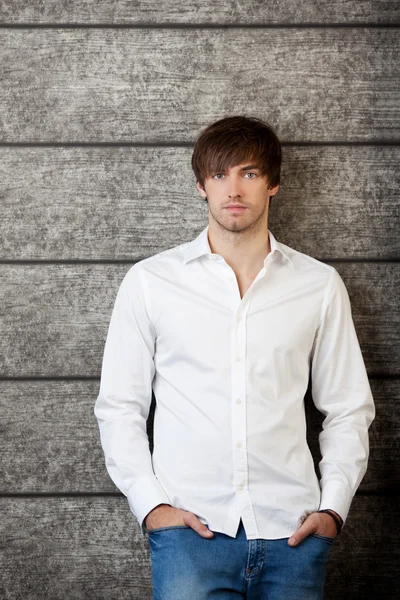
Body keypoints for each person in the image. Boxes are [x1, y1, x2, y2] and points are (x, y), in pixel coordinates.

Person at [94, 115, 375, 599]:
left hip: (293, 533)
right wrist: (153, 509)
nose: (234, 189)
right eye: (220, 174)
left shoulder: (318, 285)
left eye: (248, 173)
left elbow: (348, 408)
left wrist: (332, 510)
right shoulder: (150, 282)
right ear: (201, 185)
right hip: (189, 535)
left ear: (274, 184)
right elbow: (119, 406)